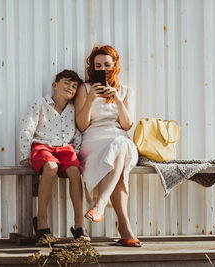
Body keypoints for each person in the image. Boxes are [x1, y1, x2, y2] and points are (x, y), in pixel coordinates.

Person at [74, 45, 142, 247]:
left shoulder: (126, 91)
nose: (103, 69)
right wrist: (91, 99)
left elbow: (128, 125)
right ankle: (124, 227)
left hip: (119, 138)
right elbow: (82, 125)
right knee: (119, 167)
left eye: (107, 65)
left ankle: (101, 204)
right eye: (98, 65)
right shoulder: (85, 89)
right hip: (94, 140)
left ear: (115, 66)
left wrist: (119, 101)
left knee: (121, 144)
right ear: (92, 68)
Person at [19, 69, 90, 242]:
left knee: (75, 171)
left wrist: (78, 153)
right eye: (66, 83)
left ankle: (79, 224)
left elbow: (78, 134)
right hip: (42, 146)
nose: (70, 87)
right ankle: (41, 219)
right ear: (54, 85)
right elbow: (27, 129)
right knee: (51, 167)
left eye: (74, 86)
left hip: (66, 148)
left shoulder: (74, 109)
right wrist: (25, 155)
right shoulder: (41, 104)